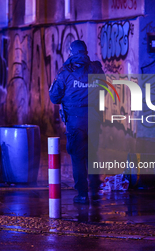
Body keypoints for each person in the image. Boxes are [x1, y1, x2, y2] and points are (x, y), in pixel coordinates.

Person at [49, 40, 105, 204]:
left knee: (78, 157)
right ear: (85, 51)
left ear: (71, 53)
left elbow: (54, 97)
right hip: (94, 118)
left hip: (75, 121)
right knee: (93, 155)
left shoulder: (65, 73)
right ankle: (95, 191)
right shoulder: (96, 69)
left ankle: (82, 193)